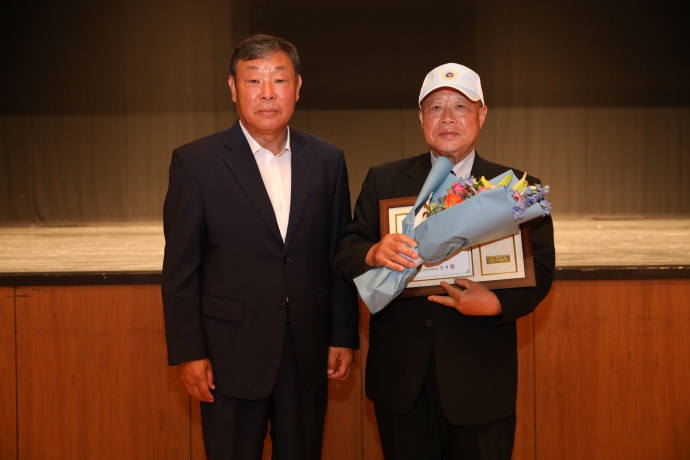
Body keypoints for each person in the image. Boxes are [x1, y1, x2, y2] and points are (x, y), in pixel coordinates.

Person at [335, 63, 555, 460]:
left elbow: (540, 269)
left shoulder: (517, 188)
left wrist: (496, 303)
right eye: (435, 107)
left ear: (482, 114)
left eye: (461, 107)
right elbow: (347, 249)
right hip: (401, 381)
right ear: (421, 118)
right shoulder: (384, 180)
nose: (447, 118)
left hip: (480, 382)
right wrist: (372, 252)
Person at [162, 34, 359, 460]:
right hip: (229, 357)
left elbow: (337, 256)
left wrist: (343, 335)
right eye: (253, 80)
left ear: (298, 87)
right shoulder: (196, 163)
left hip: (306, 353)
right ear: (233, 88)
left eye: (279, 80)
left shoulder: (327, 160)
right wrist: (189, 353)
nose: (267, 93)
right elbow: (181, 270)